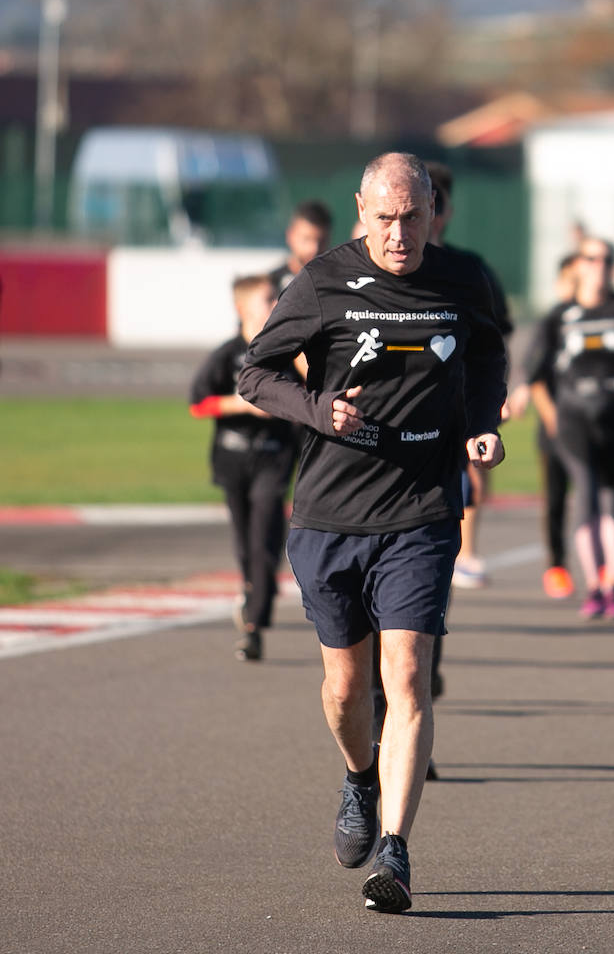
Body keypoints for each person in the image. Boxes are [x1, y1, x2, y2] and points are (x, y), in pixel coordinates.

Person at [237, 152, 507, 914]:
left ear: (434, 211)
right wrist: (323, 411)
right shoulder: (324, 281)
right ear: (362, 210)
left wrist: (482, 425)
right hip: (330, 515)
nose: (399, 233)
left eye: (413, 216)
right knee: (346, 686)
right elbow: (255, 373)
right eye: (385, 218)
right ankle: (359, 775)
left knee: (408, 679)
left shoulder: (461, 281)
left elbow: (487, 356)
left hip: (421, 510)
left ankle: (395, 851)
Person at [526, 237, 614, 620]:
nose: (599, 265)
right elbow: (535, 369)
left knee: (613, 500)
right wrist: (522, 398)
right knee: (585, 492)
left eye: (606, 259)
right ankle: (594, 585)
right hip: (574, 418)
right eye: (591, 258)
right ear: (578, 265)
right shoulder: (561, 316)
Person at [189, 275, 298, 661]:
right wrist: (240, 405)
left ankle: (253, 625)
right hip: (233, 459)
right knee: (244, 542)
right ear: (243, 309)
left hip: (275, 456)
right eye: (268, 299)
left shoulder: (288, 352)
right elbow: (197, 403)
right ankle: (255, 592)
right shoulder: (228, 354)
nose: (275, 304)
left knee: (264, 532)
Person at [425, 161, 514, 591]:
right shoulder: (365, 263)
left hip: (458, 399)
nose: (433, 212)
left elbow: (495, 342)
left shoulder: (468, 270)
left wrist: (496, 397)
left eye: (438, 202)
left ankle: (466, 551)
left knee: (472, 471)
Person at [507, 253, 579, 599]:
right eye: (570, 281)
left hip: (593, 426)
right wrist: (550, 417)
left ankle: (606, 571)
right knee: (555, 499)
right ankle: (557, 566)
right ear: (559, 284)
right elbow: (533, 371)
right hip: (557, 427)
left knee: (601, 500)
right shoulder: (553, 321)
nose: (575, 288)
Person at [269, 199, 333, 296]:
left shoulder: (338, 281)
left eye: (321, 240)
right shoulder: (271, 286)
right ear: (290, 236)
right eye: (306, 239)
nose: (314, 248)